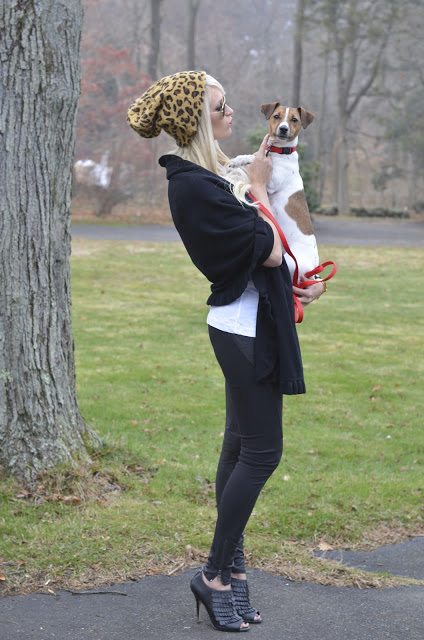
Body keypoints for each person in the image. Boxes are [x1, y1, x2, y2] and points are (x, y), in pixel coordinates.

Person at [127, 70, 326, 632]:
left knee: (240, 448)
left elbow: (280, 252)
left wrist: (301, 280)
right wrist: (259, 191)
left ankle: (234, 572)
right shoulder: (193, 185)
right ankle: (214, 575)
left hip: (254, 320)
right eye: (220, 107)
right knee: (263, 454)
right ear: (196, 120)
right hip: (242, 329)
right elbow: (266, 249)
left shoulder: (215, 173)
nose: (231, 113)